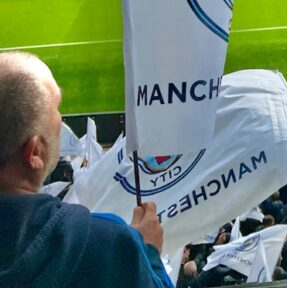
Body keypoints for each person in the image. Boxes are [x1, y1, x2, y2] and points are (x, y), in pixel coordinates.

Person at [0, 52, 172, 288]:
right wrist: (147, 254)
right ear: (35, 153)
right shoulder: (106, 243)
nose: (61, 121)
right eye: (56, 110)